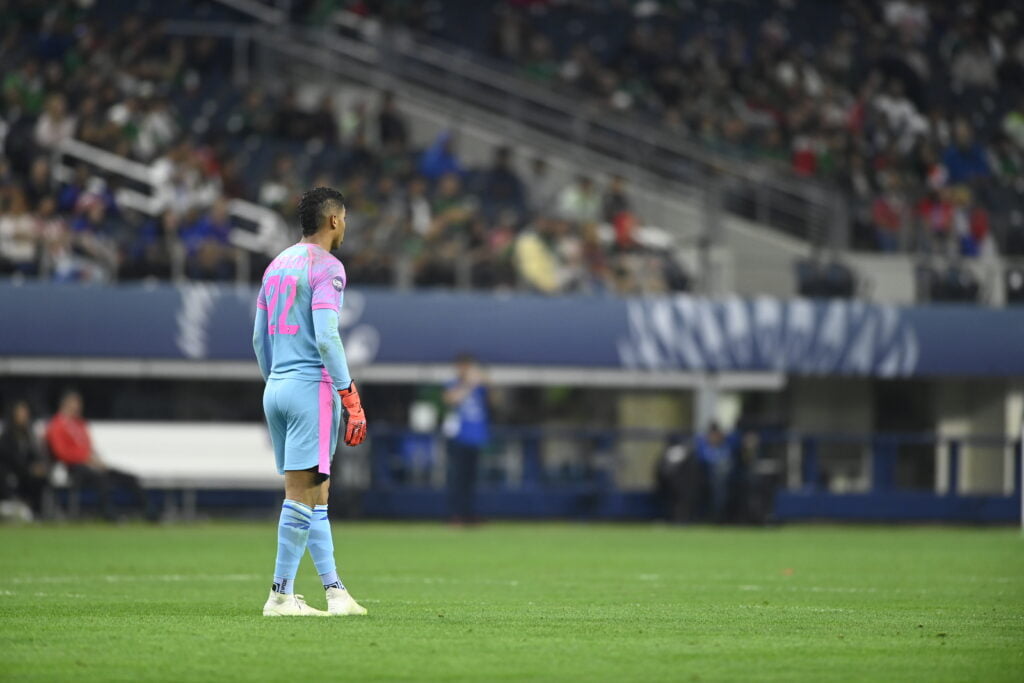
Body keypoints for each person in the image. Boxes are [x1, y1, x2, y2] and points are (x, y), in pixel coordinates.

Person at [252, 186, 368, 617]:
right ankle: (280, 595)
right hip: (308, 388)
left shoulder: (276, 265)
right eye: (346, 219)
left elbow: (258, 338)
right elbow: (326, 336)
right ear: (334, 220)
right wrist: (349, 395)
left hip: (277, 386)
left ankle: (335, 593)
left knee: (317, 491)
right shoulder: (328, 267)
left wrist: (275, 382)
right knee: (302, 494)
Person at [44, 390, 154, 521]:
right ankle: (109, 514)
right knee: (101, 479)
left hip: (91, 464)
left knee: (129, 478)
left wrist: (95, 459)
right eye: (74, 404)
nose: (78, 407)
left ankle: (150, 512)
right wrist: (85, 458)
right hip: (73, 467)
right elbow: (60, 452)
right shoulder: (56, 425)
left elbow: (88, 447)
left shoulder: (80, 424)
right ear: (65, 404)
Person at [443, 354, 490, 525]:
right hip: (459, 438)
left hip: (476, 438)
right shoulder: (454, 384)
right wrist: (468, 384)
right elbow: (450, 399)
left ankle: (469, 513)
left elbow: (493, 396)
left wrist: (481, 379)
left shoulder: (479, 386)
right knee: (458, 478)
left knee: (472, 479)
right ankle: (456, 514)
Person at [0, 400, 50, 518]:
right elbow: (10, 460)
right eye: (21, 414)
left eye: (25, 414)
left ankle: (38, 512)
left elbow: (36, 455)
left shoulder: (29, 436)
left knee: (42, 478)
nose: (24, 417)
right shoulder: (6, 437)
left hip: (28, 474)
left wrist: (40, 466)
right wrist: (30, 469)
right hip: (11, 474)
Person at [693, 422, 736, 522]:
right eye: (713, 435)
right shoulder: (703, 446)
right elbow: (703, 460)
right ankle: (713, 515)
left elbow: (729, 459)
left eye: (718, 434)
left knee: (721, 480)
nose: (715, 437)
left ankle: (719, 515)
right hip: (705, 477)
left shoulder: (725, 446)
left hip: (724, 478)